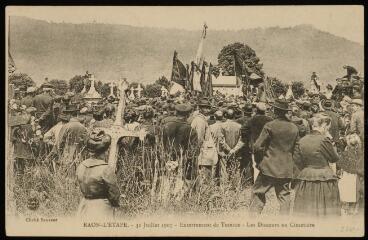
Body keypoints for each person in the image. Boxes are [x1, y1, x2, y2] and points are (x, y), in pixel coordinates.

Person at [249, 99, 299, 215]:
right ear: (286, 112)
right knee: (284, 197)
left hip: (268, 167)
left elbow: (257, 146)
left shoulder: (270, 126)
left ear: (275, 111)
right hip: (286, 168)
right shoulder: (294, 128)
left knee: (258, 193)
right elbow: (297, 150)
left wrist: (260, 160)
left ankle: (251, 221)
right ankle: (284, 224)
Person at [293, 113, 341, 217]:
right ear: (323, 126)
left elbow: (297, 160)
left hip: (306, 175)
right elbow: (334, 158)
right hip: (324, 176)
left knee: (306, 208)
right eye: (327, 127)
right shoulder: (324, 140)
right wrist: (331, 142)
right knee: (325, 208)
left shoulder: (302, 140)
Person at [76, 130, 120, 220]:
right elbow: (114, 194)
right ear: (105, 151)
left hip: (84, 205)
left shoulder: (82, 165)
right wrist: (115, 205)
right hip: (101, 208)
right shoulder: (106, 169)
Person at [162, 103, 198, 181]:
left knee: (168, 179)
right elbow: (193, 149)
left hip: (168, 157)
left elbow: (161, 143)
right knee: (180, 180)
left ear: (176, 113)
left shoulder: (167, 126)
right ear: (188, 115)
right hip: (182, 159)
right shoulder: (191, 130)